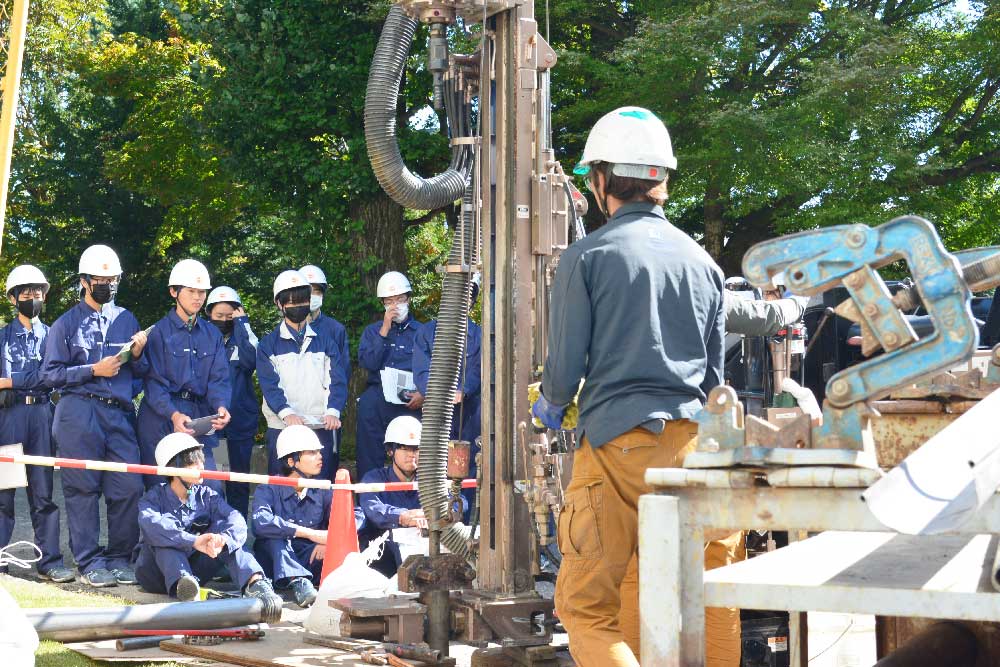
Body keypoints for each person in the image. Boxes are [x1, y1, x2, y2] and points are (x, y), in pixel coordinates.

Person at [532, 107, 740, 666]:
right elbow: (716, 380)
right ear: (661, 181)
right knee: (706, 599)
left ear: (600, 182)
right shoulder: (704, 263)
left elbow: (564, 367)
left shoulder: (588, 256)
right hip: (695, 447)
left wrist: (548, 406)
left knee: (586, 607)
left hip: (618, 446)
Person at [41, 244, 149, 587]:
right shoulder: (65, 324)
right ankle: (89, 563)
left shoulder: (127, 319)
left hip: (118, 414)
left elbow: (141, 373)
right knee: (81, 489)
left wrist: (139, 354)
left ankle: (119, 558)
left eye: (112, 278)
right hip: (78, 411)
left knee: (129, 486)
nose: (107, 283)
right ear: (85, 281)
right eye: (100, 278)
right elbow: (50, 375)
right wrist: (92, 370)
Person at [133, 433, 280, 605]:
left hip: (195, 574)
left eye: (201, 461)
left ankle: (255, 582)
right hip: (155, 574)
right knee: (163, 538)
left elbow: (236, 519)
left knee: (225, 533)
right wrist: (193, 541)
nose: (201, 466)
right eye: (193, 463)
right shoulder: (152, 498)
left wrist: (223, 539)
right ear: (172, 467)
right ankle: (184, 584)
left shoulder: (207, 495)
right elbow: (152, 527)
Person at [0, 266, 73, 583]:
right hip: (9, 418)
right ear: (14, 298)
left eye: (38, 292)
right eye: (26, 292)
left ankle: (49, 561)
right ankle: (1, 558)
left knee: (43, 494)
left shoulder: (53, 334)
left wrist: (9, 380)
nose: (33, 297)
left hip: (42, 416)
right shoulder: (2, 337)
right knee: (3, 493)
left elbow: (49, 377)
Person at [137, 259, 231, 493]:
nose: (198, 297)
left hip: (202, 416)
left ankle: (210, 530)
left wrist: (221, 407)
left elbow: (219, 378)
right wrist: (174, 414)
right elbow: (154, 384)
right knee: (160, 487)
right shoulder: (157, 333)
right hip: (160, 417)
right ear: (174, 292)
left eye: (202, 292)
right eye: (191, 291)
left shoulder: (213, 334)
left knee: (214, 482)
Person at [257, 270, 347, 479]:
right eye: (291, 302)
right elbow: (270, 385)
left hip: (320, 426)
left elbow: (337, 378)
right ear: (279, 305)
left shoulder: (325, 341)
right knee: (281, 488)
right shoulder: (267, 345)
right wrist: (286, 413)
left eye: (302, 301)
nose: (298, 307)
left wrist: (333, 410)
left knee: (323, 488)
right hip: (282, 427)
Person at [251, 424, 330, 608]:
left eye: (319, 452)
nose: (320, 457)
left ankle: (303, 581)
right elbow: (260, 523)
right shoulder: (268, 488)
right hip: (274, 557)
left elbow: (350, 517)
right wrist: (307, 533)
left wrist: (327, 541)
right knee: (276, 538)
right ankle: (298, 581)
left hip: (307, 555)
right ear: (291, 461)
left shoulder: (322, 489)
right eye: (312, 452)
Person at [356, 272, 423, 481]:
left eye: (400, 299)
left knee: (416, 444)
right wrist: (384, 330)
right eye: (390, 301)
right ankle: (368, 495)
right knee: (366, 409)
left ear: (409, 299)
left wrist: (424, 393)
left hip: (412, 398)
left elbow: (435, 367)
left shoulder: (423, 331)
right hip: (379, 395)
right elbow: (368, 363)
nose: (396, 305)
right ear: (383, 304)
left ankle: (422, 497)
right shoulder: (372, 331)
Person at [205, 286, 259, 517]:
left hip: (240, 423)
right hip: (214, 424)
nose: (224, 320)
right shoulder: (204, 338)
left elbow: (253, 360)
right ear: (209, 314)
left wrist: (243, 323)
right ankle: (217, 528)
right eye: (219, 316)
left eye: (229, 316)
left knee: (238, 479)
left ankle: (238, 531)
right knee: (215, 479)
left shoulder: (243, 336)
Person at [358, 416, 425, 578]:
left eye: (416, 448)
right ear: (390, 451)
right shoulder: (374, 478)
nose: (412, 455)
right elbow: (373, 508)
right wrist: (403, 516)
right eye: (404, 448)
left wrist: (432, 514)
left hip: (425, 547)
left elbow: (458, 502)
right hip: (383, 554)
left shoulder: (430, 479)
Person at [299, 264, 351, 392]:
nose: (312, 295)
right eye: (308, 291)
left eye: (317, 291)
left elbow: (344, 371)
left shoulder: (335, 329)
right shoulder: (287, 329)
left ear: (322, 294)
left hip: (326, 402)